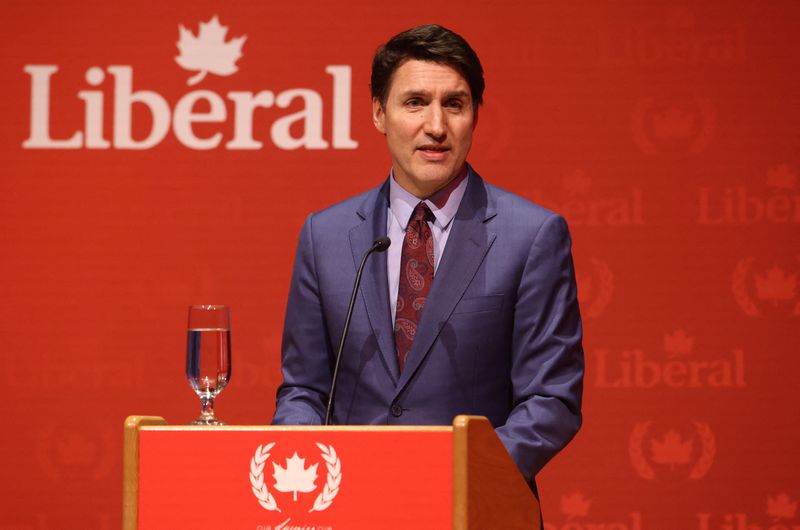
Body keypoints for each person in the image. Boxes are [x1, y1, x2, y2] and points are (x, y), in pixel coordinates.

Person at [272, 24, 584, 495]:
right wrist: (302, 474)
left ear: (475, 115)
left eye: (454, 104)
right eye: (415, 102)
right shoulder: (326, 236)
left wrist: (459, 477)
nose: (436, 126)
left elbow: (551, 400)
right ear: (379, 113)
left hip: (474, 506)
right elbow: (304, 390)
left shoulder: (532, 235)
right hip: (351, 504)